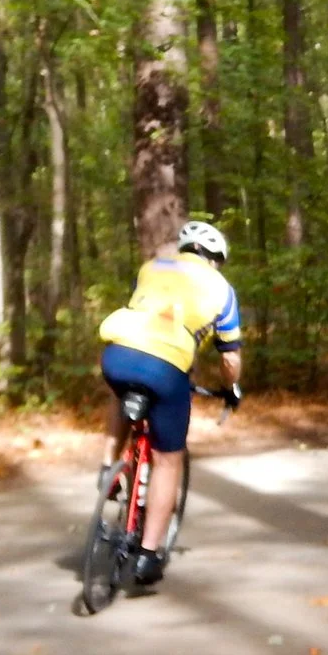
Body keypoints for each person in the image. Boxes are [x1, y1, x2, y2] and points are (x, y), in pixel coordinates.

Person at [96, 218, 243, 589]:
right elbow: (230, 359)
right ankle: (147, 554)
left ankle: (108, 466)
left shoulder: (151, 267)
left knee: (119, 393)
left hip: (117, 353)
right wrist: (231, 388)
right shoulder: (221, 289)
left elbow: (140, 308)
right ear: (215, 259)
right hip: (166, 367)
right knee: (167, 459)